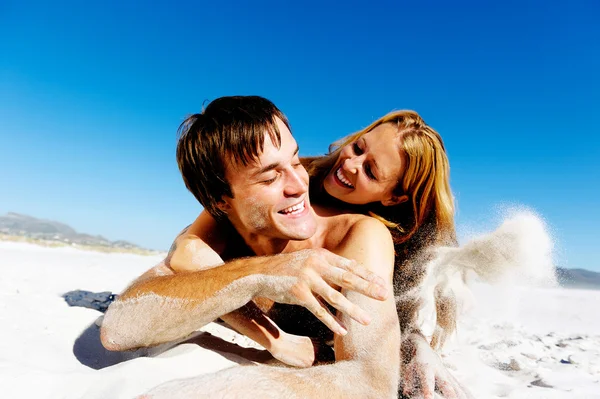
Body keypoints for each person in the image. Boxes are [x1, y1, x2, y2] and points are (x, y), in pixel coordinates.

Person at [101, 96, 401, 398]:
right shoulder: (213, 235)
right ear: (222, 201)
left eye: (296, 160)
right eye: (270, 177)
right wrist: (260, 276)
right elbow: (118, 330)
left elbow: (372, 382)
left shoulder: (358, 235)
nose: (299, 184)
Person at [163, 108, 466, 396]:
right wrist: (274, 339)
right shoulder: (297, 176)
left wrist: (417, 345)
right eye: (358, 148)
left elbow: (390, 324)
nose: (350, 165)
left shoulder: (385, 243)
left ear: (394, 197)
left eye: (370, 172)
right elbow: (186, 251)